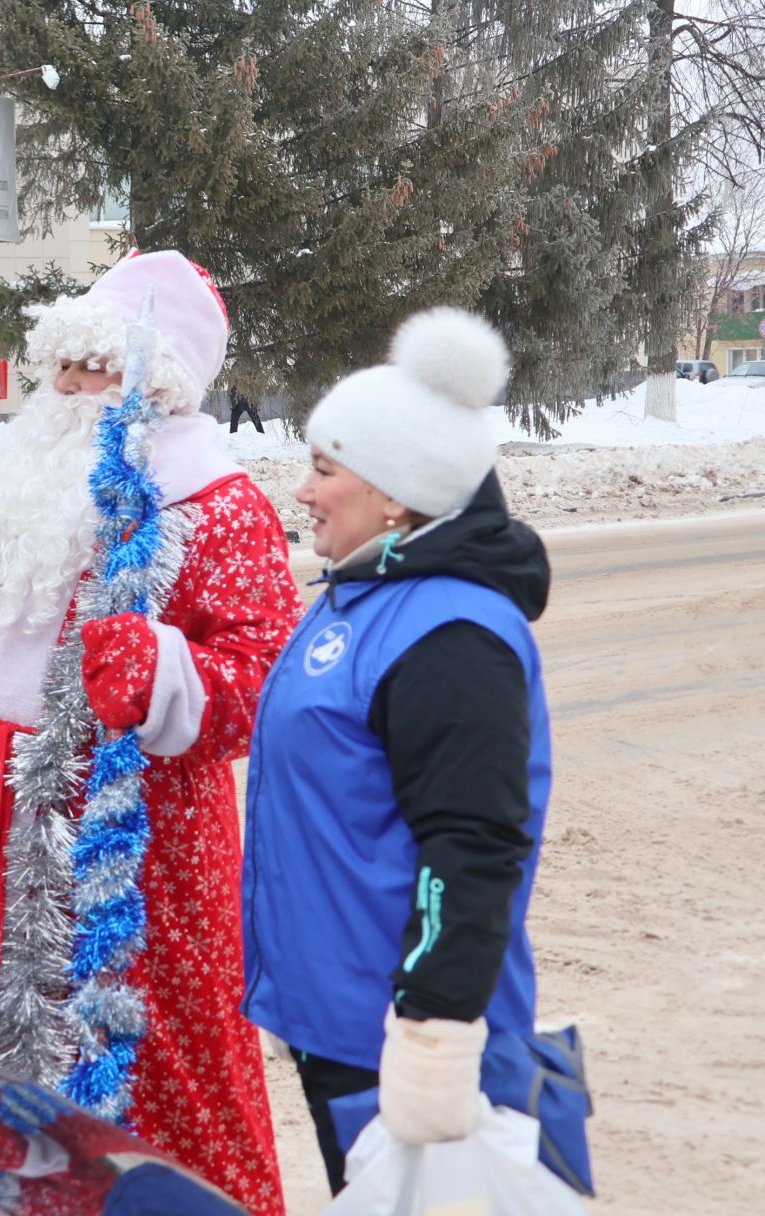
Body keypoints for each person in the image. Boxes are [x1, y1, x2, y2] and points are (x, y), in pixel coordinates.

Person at [0, 250, 298, 1216]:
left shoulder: (215, 502)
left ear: (158, 384)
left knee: (135, 1057)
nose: (68, 388)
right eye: (62, 365)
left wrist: (163, 674)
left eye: (95, 368)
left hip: (129, 838)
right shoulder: (25, 482)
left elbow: (261, 672)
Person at [241, 309, 552, 1195]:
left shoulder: (452, 634)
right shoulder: (363, 600)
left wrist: (430, 1031)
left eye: (324, 468)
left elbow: (473, 848)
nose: (302, 490)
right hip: (339, 1018)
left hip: (404, 1037)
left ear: (395, 495)